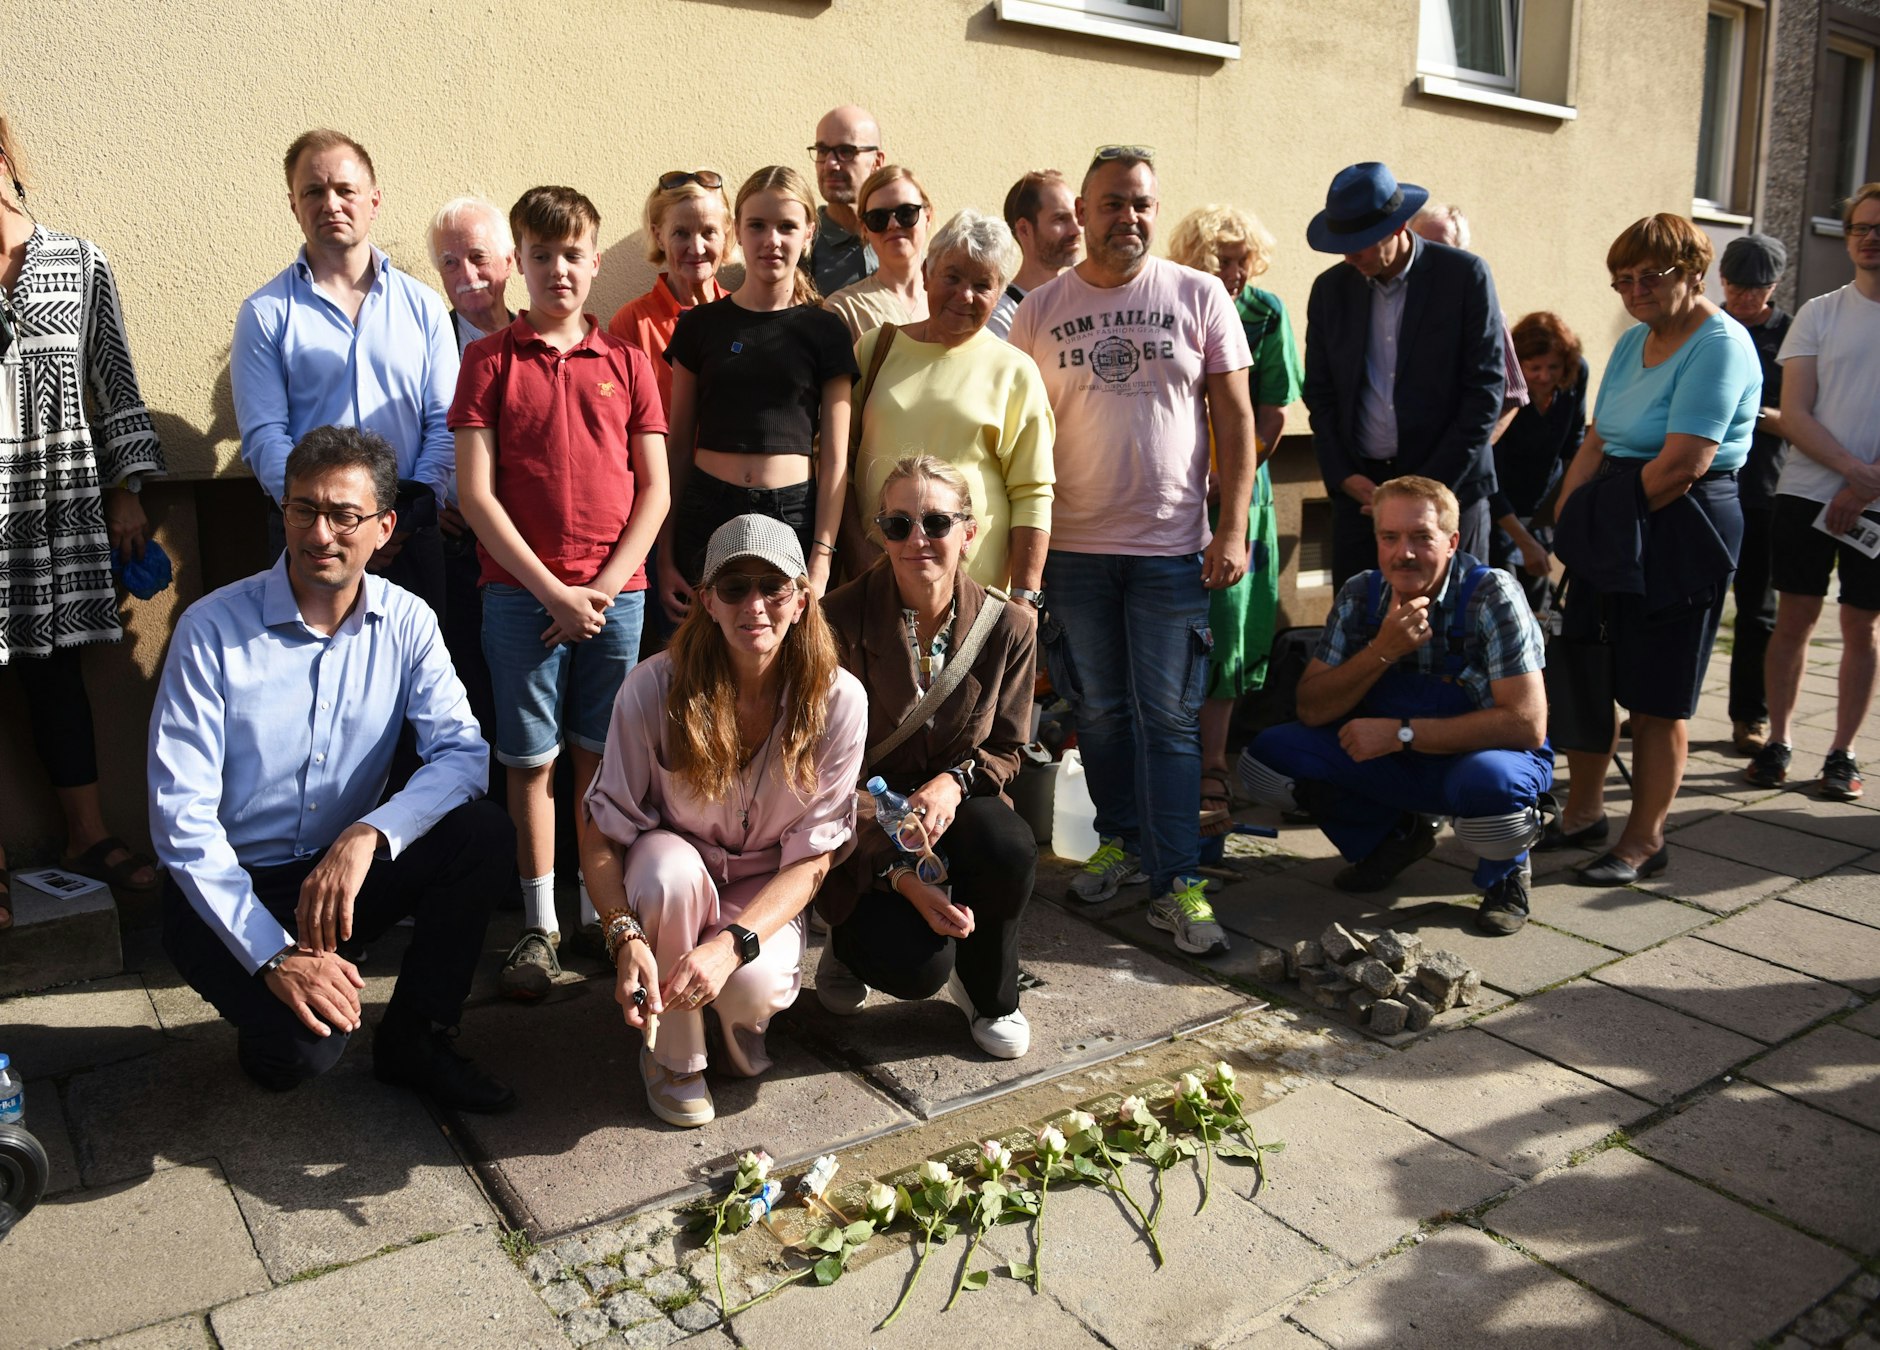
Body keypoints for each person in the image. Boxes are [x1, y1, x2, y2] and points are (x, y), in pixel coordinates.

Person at [149, 427, 514, 1111]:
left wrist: (369, 834)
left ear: (384, 529)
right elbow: (181, 822)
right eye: (304, 510)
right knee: (298, 1053)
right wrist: (274, 956)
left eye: (344, 516)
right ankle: (266, 1009)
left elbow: (463, 754)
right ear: (283, 512)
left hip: (335, 880)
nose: (321, 534)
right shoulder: (211, 629)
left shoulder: (407, 621)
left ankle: (416, 1039)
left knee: (483, 834)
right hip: (227, 886)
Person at [1008, 145, 1257, 959]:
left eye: (1142, 202)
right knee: (1100, 715)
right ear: (1082, 213)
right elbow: (1018, 432)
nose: (1130, 216)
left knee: (1172, 722)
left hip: (1169, 552)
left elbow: (1237, 422)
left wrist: (1232, 528)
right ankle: (1121, 841)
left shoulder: (1198, 295)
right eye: (1112, 202)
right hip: (1075, 551)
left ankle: (1177, 880)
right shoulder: (1039, 310)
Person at [451, 186, 670, 999]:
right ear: (519, 262)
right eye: (541, 255)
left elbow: (655, 490)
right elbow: (476, 495)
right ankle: (539, 926)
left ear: (595, 260)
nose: (558, 270)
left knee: (599, 759)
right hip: (521, 599)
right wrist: (552, 593)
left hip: (616, 599)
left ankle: (599, 916)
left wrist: (601, 591)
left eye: (573, 253)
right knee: (530, 760)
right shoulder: (489, 361)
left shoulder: (628, 363)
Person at [583, 515, 866, 1127]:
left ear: (801, 598)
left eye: (774, 587)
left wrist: (731, 946)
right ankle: (672, 1057)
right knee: (664, 870)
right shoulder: (652, 688)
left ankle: (732, 1025)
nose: (754, 605)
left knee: (750, 988)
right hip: (675, 871)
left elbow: (814, 858)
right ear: (707, 600)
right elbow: (602, 830)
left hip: (765, 886)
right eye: (734, 587)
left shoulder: (840, 699)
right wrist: (623, 935)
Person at [1238, 476, 1551, 933]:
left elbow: (1526, 724)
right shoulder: (1360, 594)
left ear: (1452, 542)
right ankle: (1396, 836)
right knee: (1268, 760)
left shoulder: (1491, 594)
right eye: (1390, 537)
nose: (1404, 553)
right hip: (1394, 761)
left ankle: (1506, 873)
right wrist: (1381, 651)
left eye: (1422, 537)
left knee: (1494, 785)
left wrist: (1402, 732)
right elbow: (1311, 709)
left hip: (1476, 759)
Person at [1548, 214, 1759, 881]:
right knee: (1588, 671)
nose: (1634, 291)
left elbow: (1682, 466)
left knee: (1656, 696)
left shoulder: (1720, 345)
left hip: (1681, 522)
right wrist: (1567, 520)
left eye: (1649, 276)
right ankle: (1582, 814)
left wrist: (1595, 519)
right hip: (1615, 508)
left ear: (1693, 272)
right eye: (1622, 279)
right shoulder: (1634, 340)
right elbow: (1596, 439)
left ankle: (1644, 841)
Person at [0, 113, 167, 917]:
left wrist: (127, 487)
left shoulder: (77, 259)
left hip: (57, 500)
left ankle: (87, 835)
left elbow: (113, 374)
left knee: (56, 670)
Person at [819, 457, 1038, 1057]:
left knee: (1008, 843)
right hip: (864, 814)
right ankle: (848, 938)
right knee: (915, 971)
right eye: (899, 524)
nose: (917, 538)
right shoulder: (835, 619)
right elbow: (820, 764)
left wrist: (955, 782)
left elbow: (1006, 747)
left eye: (937, 522)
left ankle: (990, 989)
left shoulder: (1009, 626)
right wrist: (896, 861)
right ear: (881, 535)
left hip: (955, 805)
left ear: (968, 533)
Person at [232, 129, 458, 616]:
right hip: (311, 541)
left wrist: (401, 519)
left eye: (345, 190)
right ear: (294, 205)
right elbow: (265, 437)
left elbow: (445, 423)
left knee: (414, 662)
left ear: (374, 201)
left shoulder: (424, 308)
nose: (330, 203)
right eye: (314, 191)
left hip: (408, 534)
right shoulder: (265, 313)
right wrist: (328, 521)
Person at [656, 166, 857, 624]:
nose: (772, 240)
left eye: (786, 226)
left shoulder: (826, 330)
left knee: (780, 650)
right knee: (702, 649)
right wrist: (664, 554)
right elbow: (678, 446)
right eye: (758, 225)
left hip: (792, 513)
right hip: (706, 510)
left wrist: (822, 559)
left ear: (808, 233)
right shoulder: (699, 326)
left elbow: (835, 460)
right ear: (737, 232)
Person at [1302, 163, 1505, 588]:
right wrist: (1343, 475)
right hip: (1362, 496)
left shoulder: (1465, 277)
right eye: (1341, 246)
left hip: (1450, 491)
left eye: (1358, 245)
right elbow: (1320, 394)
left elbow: (1485, 391)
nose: (1348, 257)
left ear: (1396, 229)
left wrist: (1425, 488)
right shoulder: (1330, 290)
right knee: (1362, 618)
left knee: (1454, 618)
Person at [1166, 203, 1301, 824]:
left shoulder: (1266, 314)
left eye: (1243, 259)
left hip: (1240, 493)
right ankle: (1169, 759)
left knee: (1227, 627)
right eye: (1224, 259)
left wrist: (1230, 481)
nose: (1237, 271)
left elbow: (1273, 410)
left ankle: (1214, 763)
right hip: (1174, 492)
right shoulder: (1173, 304)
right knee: (1170, 628)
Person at [1745, 186, 1880, 800]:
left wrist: (1866, 485)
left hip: (1877, 502)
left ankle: (1842, 753)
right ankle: (1778, 740)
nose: (1869, 238)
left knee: (1861, 626)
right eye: (1860, 227)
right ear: (1847, 236)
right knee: (1794, 618)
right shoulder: (1821, 313)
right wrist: (1852, 471)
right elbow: (1794, 413)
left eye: (1879, 228)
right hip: (1806, 492)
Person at [844, 208, 1055, 594]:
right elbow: (839, 462)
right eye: (952, 277)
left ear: (1000, 292)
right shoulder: (875, 349)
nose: (965, 295)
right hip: (875, 580)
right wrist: (855, 553)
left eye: (982, 284)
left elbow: (1032, 493)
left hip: (976, 591)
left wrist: (1025, 597)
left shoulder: (1015, 371)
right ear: (926, 273)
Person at [427, 196, 516, 789]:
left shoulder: (543, 335)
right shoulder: (429, 342)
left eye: (479, 258)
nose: (467, 274)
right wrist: (431, 497)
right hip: (462, 553)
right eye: (450, 262)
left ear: (510, 260)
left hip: (541, 550)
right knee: (476, 697)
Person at [1713, 234, 1794, 756]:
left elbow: (1800, 418)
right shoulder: (1706, 325)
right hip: (1702, 486)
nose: (1744, 299)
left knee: (1757, 612)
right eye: (1735, 287)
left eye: (1756, 290)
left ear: (1774, 286)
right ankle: (1659, 711)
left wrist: (1744, 407)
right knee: (1683, 604)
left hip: (1762, 490)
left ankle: (1750, 715)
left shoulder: (1792, 335)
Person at [607, 169, 732, 417]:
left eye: (708, 232)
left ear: (726, 234)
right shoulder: (632, 323)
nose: (696, 248)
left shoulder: (744, 315)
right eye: (681, 233)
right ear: (659, 237)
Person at [1486, 312, 1588, 609]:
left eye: (1554, 367)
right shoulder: (1503, 393)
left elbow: (1573, 444)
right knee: (1502, 594)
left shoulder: (1576, 375)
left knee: (1536, 594)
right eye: (1534, 368)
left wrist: (1569, 506)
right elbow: (1488, 474)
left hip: (1543, 506)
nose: (1545, 377)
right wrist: (1522, 540)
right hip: (1497, 506)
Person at [1409, 202, 1530, 442]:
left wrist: (1472, 451)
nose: (1428, 255)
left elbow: (1512, 396)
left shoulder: (1485, 312)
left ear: (1461, 253)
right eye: (1420, 243)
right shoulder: (1391, 306)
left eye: (1441, 247)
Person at [824, 166, 932, 342]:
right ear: (864, 229)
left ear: (928, 217)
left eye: (906, 213)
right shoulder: (844, 309)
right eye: (878, 218)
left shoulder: (955, 296)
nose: (893, 224)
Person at [988, 170, 1081, 341]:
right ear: (1024, 229)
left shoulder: (1086, 301)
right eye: (1060, 219)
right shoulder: (1001, 316)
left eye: (1077, 217)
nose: (1076, 230)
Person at [806, 105, 885, 296]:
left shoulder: (899, 234)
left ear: (876, 163)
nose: (830, 164)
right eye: (822, 151)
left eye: (846, 151)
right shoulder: (803, 243)